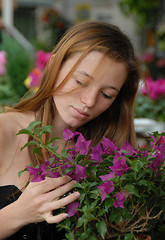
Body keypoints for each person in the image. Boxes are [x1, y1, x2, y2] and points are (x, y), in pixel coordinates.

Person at [0, 20, 141, 239]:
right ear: (54, 65)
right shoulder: (4, 131)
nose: (89, 101)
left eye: (107, 95)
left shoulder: (108, 153)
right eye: (81, 81)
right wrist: (18, 213)